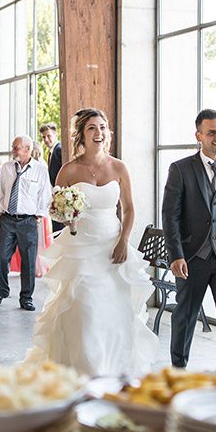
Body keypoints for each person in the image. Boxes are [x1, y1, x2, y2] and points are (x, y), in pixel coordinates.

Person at [31, 108, 158, 378]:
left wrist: (124, 241)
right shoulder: (68, 170)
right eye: (92, 128)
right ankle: (87, 374)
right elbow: (57, 210)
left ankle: (114, 372)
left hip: (112, 249)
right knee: (85, 312)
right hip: (80, 249)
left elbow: (130, 209)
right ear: (82, 134)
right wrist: (68, 217)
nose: (98, 133)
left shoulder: (119, 167)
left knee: (113, 314)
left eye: (102, 127)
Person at [161, 108, 216, 369]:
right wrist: (176, 255)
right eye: (211, 132)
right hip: (192, 257)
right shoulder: (180, 169)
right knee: (185, 317)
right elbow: (170, 216)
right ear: (198, 135)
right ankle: (178, 371)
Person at [0, 135, 52, 310]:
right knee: (1, 256)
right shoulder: (7, 167)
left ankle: (26, 298)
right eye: (13, 147)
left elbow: (45, 194)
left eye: (16, 147)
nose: (13, 150)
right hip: (8, 219)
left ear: (27, 149)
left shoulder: (40, 169)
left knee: (28, 261)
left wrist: (38, 215)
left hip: (28, 221)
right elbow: (0, 190)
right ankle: (2, 291)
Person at [39, 122, 63, 230]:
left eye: (49, 136)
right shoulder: (52, 151)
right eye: (44, 137)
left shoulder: (59, 149)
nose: (46, 139)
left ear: (56, 135)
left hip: (60, 195)